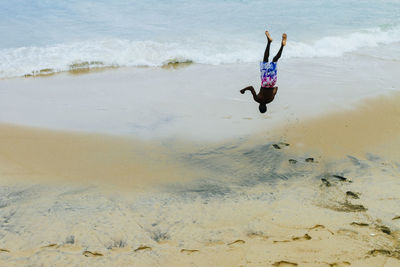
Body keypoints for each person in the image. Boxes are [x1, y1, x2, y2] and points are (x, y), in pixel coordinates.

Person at [240, 31, 287, 113]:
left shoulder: (271, 100)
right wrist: (243, 90)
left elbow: (276, 88)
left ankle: (282, 46)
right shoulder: (257, 99)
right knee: (265, 60)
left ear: (266, 107)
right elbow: (251, 87)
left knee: (275, 60)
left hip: (272, 82)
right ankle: (269, 42)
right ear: (259, 107)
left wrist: (273, 90)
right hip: (265, 82)